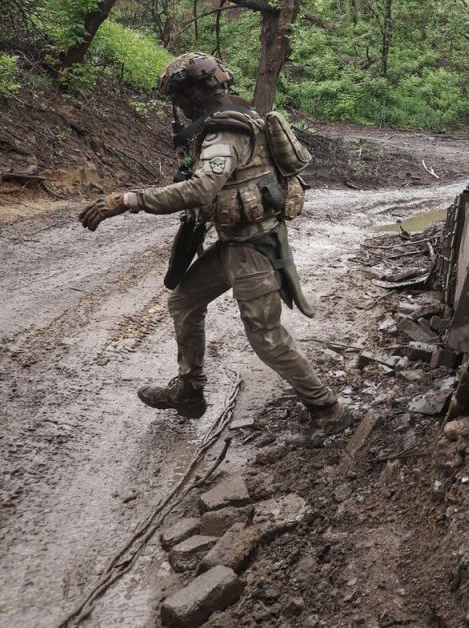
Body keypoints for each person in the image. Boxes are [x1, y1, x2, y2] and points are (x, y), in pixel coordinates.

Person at [79, 52, 345, 425]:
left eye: (180, 97)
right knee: (184, 301)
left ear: (192, 92)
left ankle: (326, 407)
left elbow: (201, 190)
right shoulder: (231, 120)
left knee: (267, 338)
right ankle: (189, 390)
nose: (180, 106)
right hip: (233, 246)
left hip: (254, 250)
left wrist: (126, 200)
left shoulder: (226, 131)